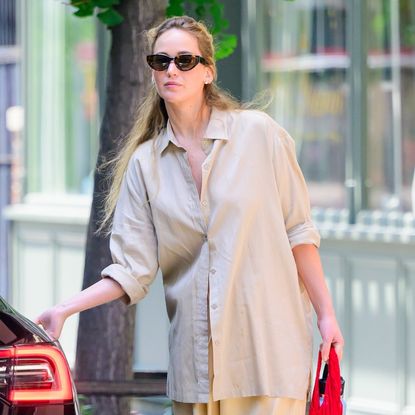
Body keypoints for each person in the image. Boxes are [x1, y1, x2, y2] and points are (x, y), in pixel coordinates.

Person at [36, 15, 344, 415]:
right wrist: (64, 309)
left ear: (208, 71)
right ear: (151, 73)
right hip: (196, 367)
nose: (171, 70)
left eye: (185, 60)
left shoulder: (259, 134)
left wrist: (327, 317)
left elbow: (299, 232)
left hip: (270, 353)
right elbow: (131, 268)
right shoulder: (145, 165)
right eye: (160, 61)